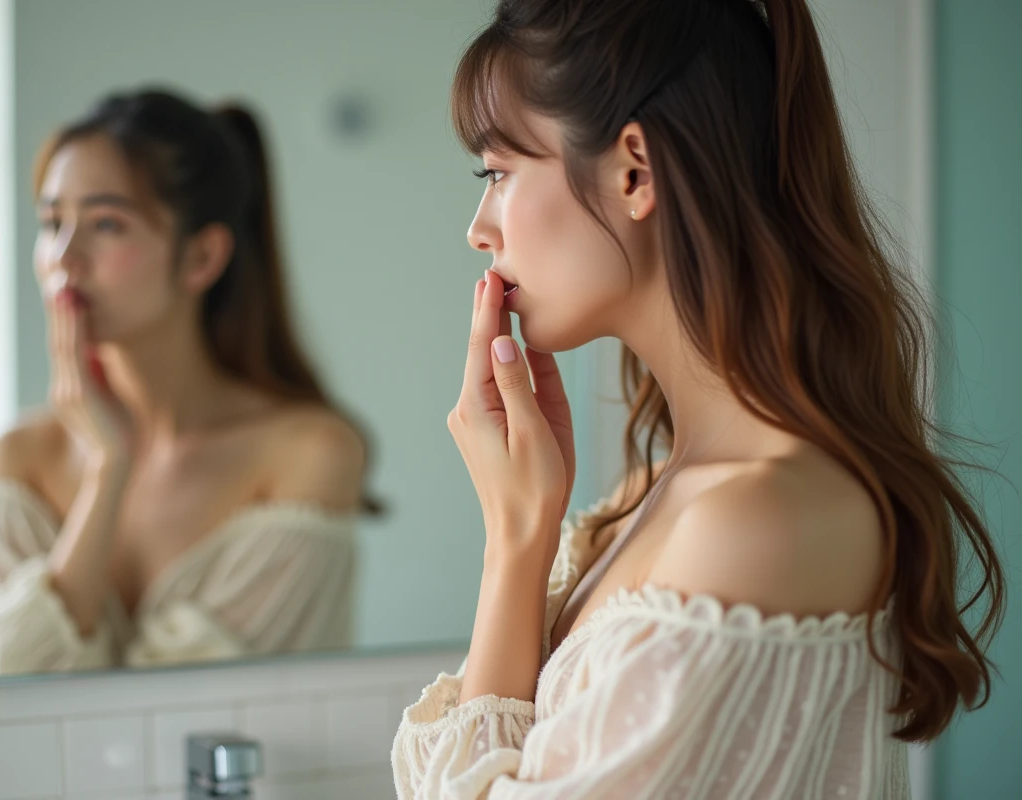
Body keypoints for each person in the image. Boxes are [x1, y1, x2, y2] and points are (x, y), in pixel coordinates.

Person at [392, 0, 1005, 797]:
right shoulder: (654, 498)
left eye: (499, 173)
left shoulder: (755, 519)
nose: (480, 227)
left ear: (635, 171)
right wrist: (520, 532)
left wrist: (514, 538)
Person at [0, 89, 378, 677]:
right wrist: (107, 469)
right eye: (51, 222)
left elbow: (190, 716)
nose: (63, 260)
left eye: (106, 224)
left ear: (202, 257)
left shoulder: (308, 455)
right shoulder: (22, 457)